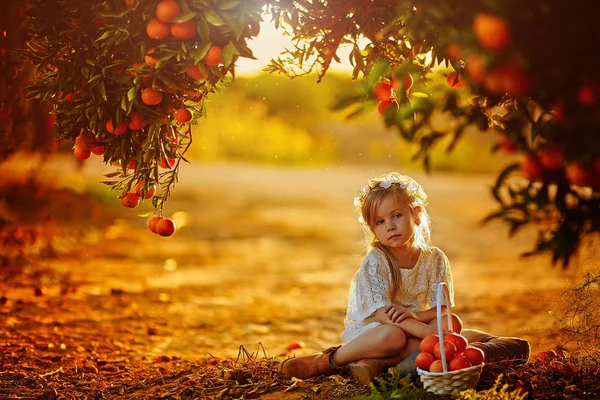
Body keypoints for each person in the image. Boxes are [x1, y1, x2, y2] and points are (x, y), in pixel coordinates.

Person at [279, 172, 463, 383]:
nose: (390, 226)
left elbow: (443, 307)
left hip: (411, 324)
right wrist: (426, 332)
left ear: (417, 214)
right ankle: (328, 360)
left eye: (396, 216)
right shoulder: (377, 261)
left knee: (452, 323)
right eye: (380, 221)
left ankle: (378, 363)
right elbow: (383, 315)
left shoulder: (435, 258)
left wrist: (418, 318)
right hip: (377, 330)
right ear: (372, 229)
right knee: (394, 336)